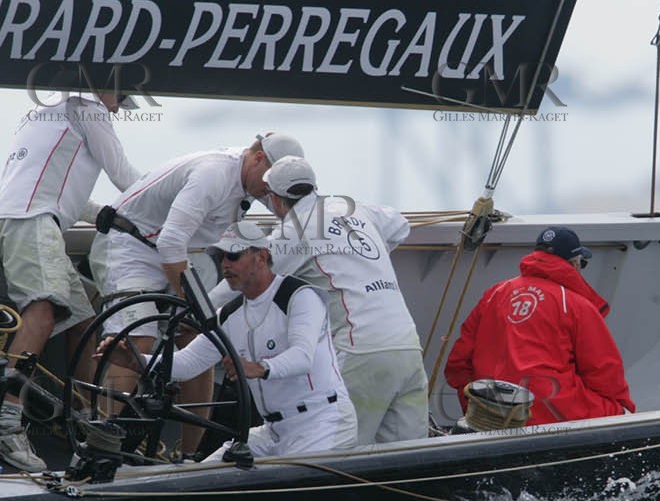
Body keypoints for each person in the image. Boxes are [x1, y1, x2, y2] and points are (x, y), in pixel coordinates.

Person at [98, 132, 303, 454]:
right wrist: (192, 303)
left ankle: (190, 454)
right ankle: (101, 445)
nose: (270, 190)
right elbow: (169, 242)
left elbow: (293, 214)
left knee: (201, 341)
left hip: (179, 253)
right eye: (270, 181)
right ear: (259, 158)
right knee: (138, 340)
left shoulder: (256, 179)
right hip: (132, 248)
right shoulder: (213, 174)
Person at [0, 90, 142, 471]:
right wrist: (167, 211)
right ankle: (4, 421)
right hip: (32, 221)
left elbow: (51, 183)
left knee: (86, 321)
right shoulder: (87, 108)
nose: (118, 107)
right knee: (43, 311)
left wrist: (106, 214)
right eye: (119, 97)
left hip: (25, 217)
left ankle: (87, 422)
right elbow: (125, 176)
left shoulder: (45, 111)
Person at [221, 155, 428, 445]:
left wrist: (203, 308)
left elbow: (247, 278)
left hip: (361, 352)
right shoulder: (353, 209)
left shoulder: (293, 231)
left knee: (335, 449)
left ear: (276, 199)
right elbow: (400, 225)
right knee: (407, 458)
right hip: (408, 348)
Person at [105, 237, 356, 459]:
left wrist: (258, 368)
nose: (225, 264)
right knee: (204, 478)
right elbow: (185, 364)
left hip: (323, 423)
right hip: (274, 431)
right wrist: (135, 360)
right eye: (220, 257)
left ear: (262, 258)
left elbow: (302, 357)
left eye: (233, 256)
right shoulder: (229, 314)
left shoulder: (299, 296)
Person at [445, 226, 634, 426]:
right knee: (620, 413)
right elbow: (604, 373)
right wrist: (621, 411)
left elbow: (458, 364)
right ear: (574, 264)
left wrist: (477, 409)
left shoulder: (494, 294)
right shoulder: (577, 306)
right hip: (553, 414)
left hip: (493, 413)